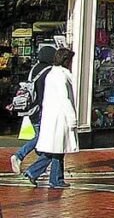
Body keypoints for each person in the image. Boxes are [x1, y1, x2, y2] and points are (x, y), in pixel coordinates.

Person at [23, 48, 77, 189]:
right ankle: (52, 178)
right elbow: (65, 99)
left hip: (53, 117)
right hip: (59, 118)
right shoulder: (60, 76)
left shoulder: (53, 74)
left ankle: (43, 175)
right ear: (66, 61)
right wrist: (72, 119)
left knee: (55, 150)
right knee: (57, 150)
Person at [10, 44, 56, 174]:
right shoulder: (48, 71)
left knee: (40, 136)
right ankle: (19, 156)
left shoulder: (34, 69)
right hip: (40, 109)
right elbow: (44, 94)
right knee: (42, 137)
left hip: (30, 108)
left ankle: (39, 162)